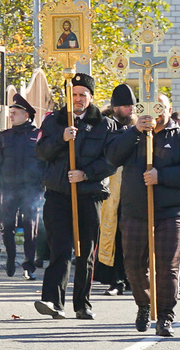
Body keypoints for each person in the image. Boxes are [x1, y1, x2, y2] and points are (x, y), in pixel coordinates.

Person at [104, 89, 180, 336]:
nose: (154, 114)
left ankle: (166, 315)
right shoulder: (131, 134)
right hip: (136, 209)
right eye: (149, 108)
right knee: (134, 265)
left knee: (167, 267)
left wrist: (162, 177)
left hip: (171, 211)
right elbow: (112, 157)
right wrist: (136, 131)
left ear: (168, 111)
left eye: (160, 108)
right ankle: (144, 303)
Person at [34, 72, 118, 320]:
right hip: (58, 194)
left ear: (91, 97)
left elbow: (111, 161)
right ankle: (52, 300)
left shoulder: (105, 125)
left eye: (83, 95)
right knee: (59, 248)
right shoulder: (53, 121)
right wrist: (62, 139)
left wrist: (86, 174)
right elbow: (41, 152)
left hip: (89, 195)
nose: (78, 99)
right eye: (74, 94)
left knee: (86, 252)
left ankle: (82, 303)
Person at [0, 94, 45, 278]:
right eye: (10, 113)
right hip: (9, 189)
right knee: (7, 226)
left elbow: (45, 162)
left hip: (32, 190)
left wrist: (43, 183)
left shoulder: (38, 135)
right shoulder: (4, 136)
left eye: (15, 113)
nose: (11, 116)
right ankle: (11, 258)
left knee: (30, 227)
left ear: (26, 115)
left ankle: (28, 266)